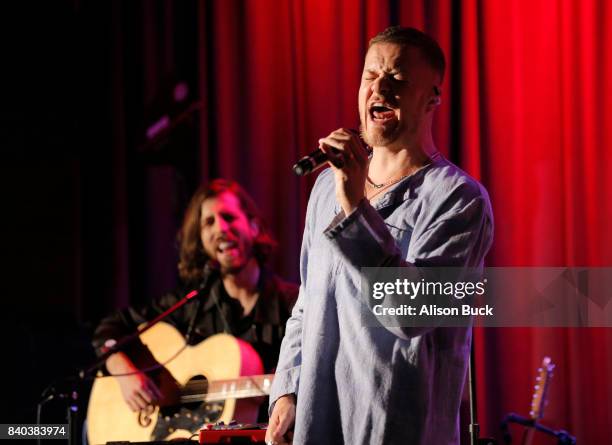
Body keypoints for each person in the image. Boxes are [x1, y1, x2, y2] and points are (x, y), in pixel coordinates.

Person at [267, 26, 494, 445]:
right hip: (318, 421)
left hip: (395, 426)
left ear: (433, 98)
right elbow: (307, 303)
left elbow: (411, 314)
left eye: (398, 79)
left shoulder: (459, 200)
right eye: (371, 75)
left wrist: (356, 208)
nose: (380, 88)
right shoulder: (326, 188)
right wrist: (287, 388)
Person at [93, 179, 298, 416]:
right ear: (201, 240)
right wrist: (123, 371)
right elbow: (110, 327)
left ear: (253, 226)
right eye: (209, 222)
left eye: (229, 217)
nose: (221, 228)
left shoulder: (295, 305)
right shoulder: (191, 305)